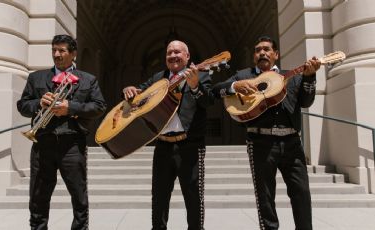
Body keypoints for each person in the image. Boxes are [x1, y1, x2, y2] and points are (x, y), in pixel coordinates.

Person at [212, 36, 320, 230]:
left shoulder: (292, 76)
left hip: (292, 142)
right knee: (265, 197)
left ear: (276, 54)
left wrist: (310, 77)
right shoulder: (244, 75)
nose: (262, 52)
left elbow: (306, 102)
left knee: (301, 192)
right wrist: (235, 86)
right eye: (258, 50)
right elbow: (215, 90)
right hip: (260, 142)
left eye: (266, 49)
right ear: (254, 56)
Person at [17, 34, 106, 230]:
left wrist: (71, 107)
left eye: (62, 51)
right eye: (54, 50)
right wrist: (39, 103)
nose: (56, 54)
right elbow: (22, 105)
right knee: (38, 196)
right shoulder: (36, 77)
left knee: (79, 196)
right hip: (43, 143)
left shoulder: (88, 80)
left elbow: (99, 106)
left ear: (73, 53)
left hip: (72, 144)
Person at [123, 40, 214, 230]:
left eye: (177, 52)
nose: (173, 56)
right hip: (163, 146)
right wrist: (129, 90)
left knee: (193, 196)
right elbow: (139, 94)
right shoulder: (159, 77)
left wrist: (195, 86)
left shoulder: (201, 75)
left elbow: (208, 103)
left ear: (187, 57)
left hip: (190, 146)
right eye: (169, 53)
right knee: (159, 197)